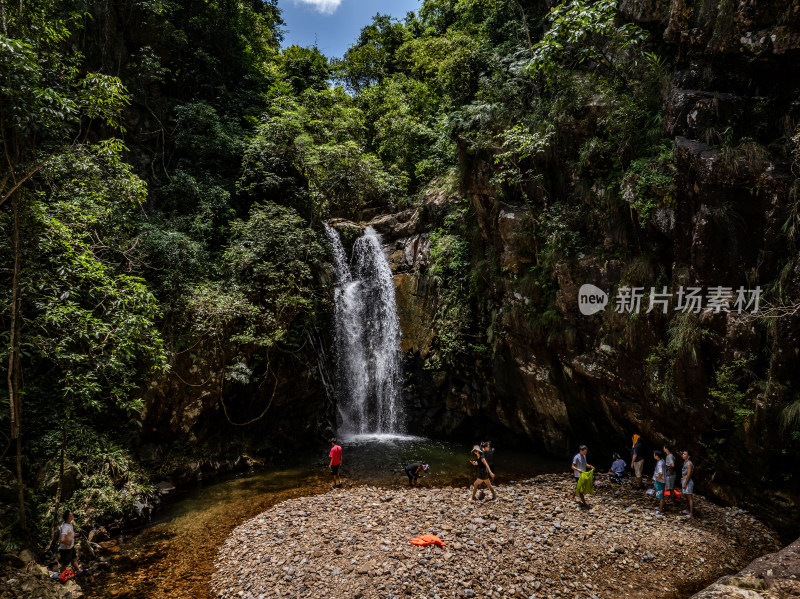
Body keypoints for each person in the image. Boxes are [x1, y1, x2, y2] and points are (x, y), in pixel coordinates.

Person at [59, 510, 82, 576]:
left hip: (70, 547)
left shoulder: (69, 523)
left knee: (74, 559)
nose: (73, 516)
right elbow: (62, 539)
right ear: (69, 517)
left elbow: (69, 533)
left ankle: (78, 570)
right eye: (72, 515)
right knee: (65, 564)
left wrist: (74, 534)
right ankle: (62, 576)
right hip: (66, 549)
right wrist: (68, 543)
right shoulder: (65, 527)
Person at [681, 450, 695, 518]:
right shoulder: (685, 462)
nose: (683, 455)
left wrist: (685, 483)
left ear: (688, 456)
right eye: (683, 453)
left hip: (688, 482)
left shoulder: (689, 464)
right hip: (684, 480)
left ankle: (691, 513)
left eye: (685, 454)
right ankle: (687, 509)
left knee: (689, 497)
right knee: (686, 496)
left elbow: (689, 475)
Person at [652, 450, 666, 515]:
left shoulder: (660, 463)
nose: (653, 455)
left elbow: (660, 473)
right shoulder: (662, 461)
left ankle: (660, 510)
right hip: (661, 480)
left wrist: (657, 479)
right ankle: (660, 508)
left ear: (656, 456)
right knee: (660, 495)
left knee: (660, 496)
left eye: (654, 454)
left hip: (660, 481)